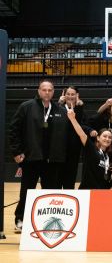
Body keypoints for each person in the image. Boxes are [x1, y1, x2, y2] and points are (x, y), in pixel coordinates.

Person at [8, 79, 68, 232]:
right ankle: (20, 219)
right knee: (27, 190)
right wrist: (16, 152)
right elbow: (13, 130)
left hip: (51, 160)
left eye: (50, 90)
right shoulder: (26, 107)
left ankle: (48, 222)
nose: (47, 92)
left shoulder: (60, 110)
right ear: (39, 91)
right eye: (44, 89)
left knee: (50, 193)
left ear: (53, 92)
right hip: (31, 158)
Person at [66, 104, 112, 189]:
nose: (107, 139)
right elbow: (81, 134)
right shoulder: (91, 148)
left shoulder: (108, 156)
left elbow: (107, 177)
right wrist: (72, 119)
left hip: (101, 193)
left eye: (109, 137)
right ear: (98, 138)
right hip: (87, 192)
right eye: (104, 136)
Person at [58, 86, 90, 189]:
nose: (70, 96)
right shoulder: (57, 107)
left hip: (73, 152)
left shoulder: (81, 110)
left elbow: (81, 126)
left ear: (77, 95)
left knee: (69, 182)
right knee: (56, 181)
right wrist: (59, 103)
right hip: (58, 151)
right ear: (64, 95)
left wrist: (80, 107)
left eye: (73, 94)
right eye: (68, 94)